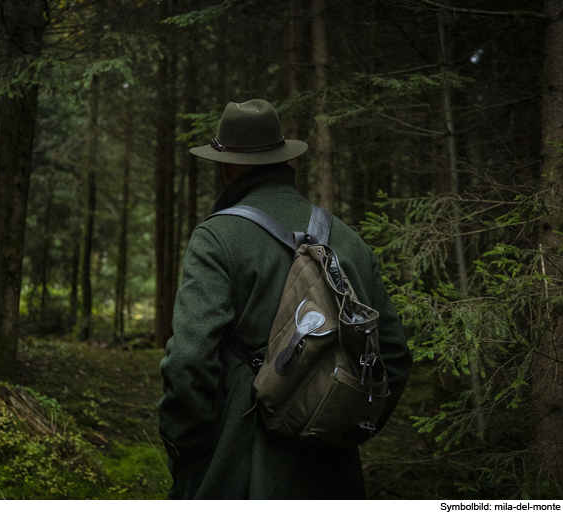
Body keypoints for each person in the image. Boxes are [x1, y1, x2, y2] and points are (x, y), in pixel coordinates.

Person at [157, 99, 412, 499]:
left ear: (226, 167)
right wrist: (344, 421)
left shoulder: (217, 238)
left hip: (237, 464)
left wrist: (185, 445)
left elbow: (189, 360)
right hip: (334, 473)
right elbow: (393, 356)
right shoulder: (349, 240)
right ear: (283, 161)